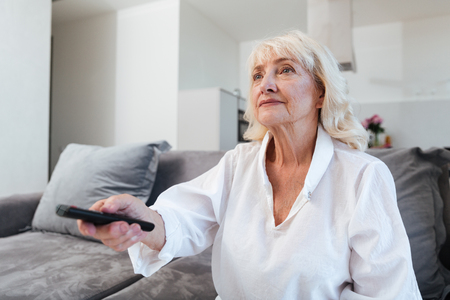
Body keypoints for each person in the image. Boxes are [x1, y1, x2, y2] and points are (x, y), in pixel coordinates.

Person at [78, 30, 421, 299]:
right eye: (258, 75)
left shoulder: (363, 176)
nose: (266, 84)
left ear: (321, 93)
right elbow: (182, 220)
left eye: (285, 70)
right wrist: (140, 219)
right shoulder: (237, 163)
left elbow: (386, 291)